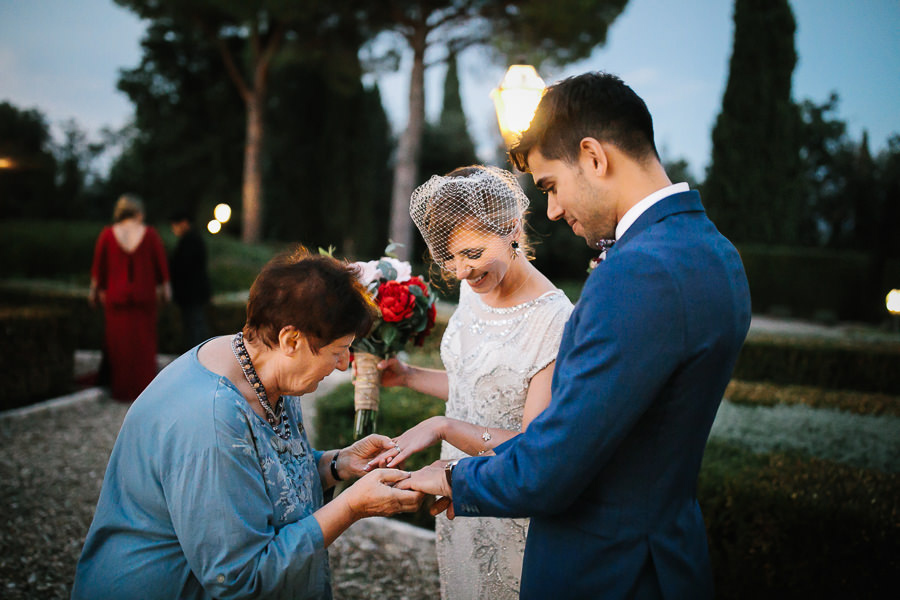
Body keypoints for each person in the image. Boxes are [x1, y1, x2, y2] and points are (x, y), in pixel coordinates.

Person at [398, 72, 752, 599]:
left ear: (593, 156)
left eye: (550, 187)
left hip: (602, 569)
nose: (555, 210)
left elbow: (553, 463)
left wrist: (451, 480)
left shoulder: (638, 272)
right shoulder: (717, 254)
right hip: (669, 556)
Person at [72, 248, 425, 599]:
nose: (343, 365)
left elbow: (260, 479)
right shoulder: (212, 419)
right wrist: (351, 507)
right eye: (338, 351)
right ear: (291, 339)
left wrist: (336, 464)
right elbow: (238, 578)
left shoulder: (263, 367)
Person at [367, 165, 573, 599]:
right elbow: (476, 385)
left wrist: (441, 427)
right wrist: (407, 377)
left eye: (472, 254)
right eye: (449, 257)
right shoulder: (473, 287)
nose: (459, 271)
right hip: (458, 498)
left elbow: (530, 447)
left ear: (513, 228)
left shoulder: (554, 319)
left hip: (506, 506)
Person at [89, 194, 171, 402]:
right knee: (143, 345)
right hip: (144, 299)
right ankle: (143, 391)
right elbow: (161, 267)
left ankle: (122, 390)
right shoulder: (150, 234)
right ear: (138, 212)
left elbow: (99, 270)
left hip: (116, 300)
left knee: (120, 346)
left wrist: (94, 293)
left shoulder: (107, 234)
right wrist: (166, 291)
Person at [169, 211, 212, 350]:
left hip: (191, 294)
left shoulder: (190, 241)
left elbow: (183, 267)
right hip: (194, 293)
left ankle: (198, 356)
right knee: (195, 326)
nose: (173, 229)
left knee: (194, 328)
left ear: (184, 223)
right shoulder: (193, 239)